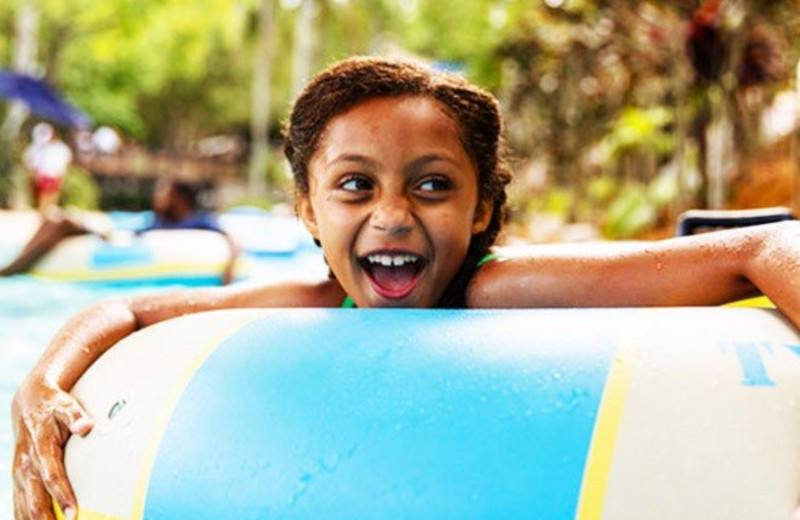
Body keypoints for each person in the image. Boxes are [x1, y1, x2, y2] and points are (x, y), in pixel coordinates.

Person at [10, 56, 800, 520]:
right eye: (355, 185)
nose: (392, 215)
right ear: (307, 212)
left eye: (431, 187)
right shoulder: (314, 305)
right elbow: (125, 308)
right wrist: (43, 383)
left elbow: (766, 246)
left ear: (483, 206)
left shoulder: (501, 291)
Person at [0, 177, 239, 284]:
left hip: (129, 248)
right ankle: (13, 266)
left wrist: (229, 270)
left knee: (60, 222)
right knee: (56, 219)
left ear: (180, 198)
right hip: (121, 240)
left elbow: (231, 240)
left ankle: (11, 270)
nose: (157, 197)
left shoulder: (196, 222)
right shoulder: (155, 220)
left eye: (163, 193)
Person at [23, 123, 73, 212]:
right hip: (41, 176)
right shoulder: (36, 146)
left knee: (50, 197)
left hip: (52, 176)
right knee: (42, 198)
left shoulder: (60, 148)